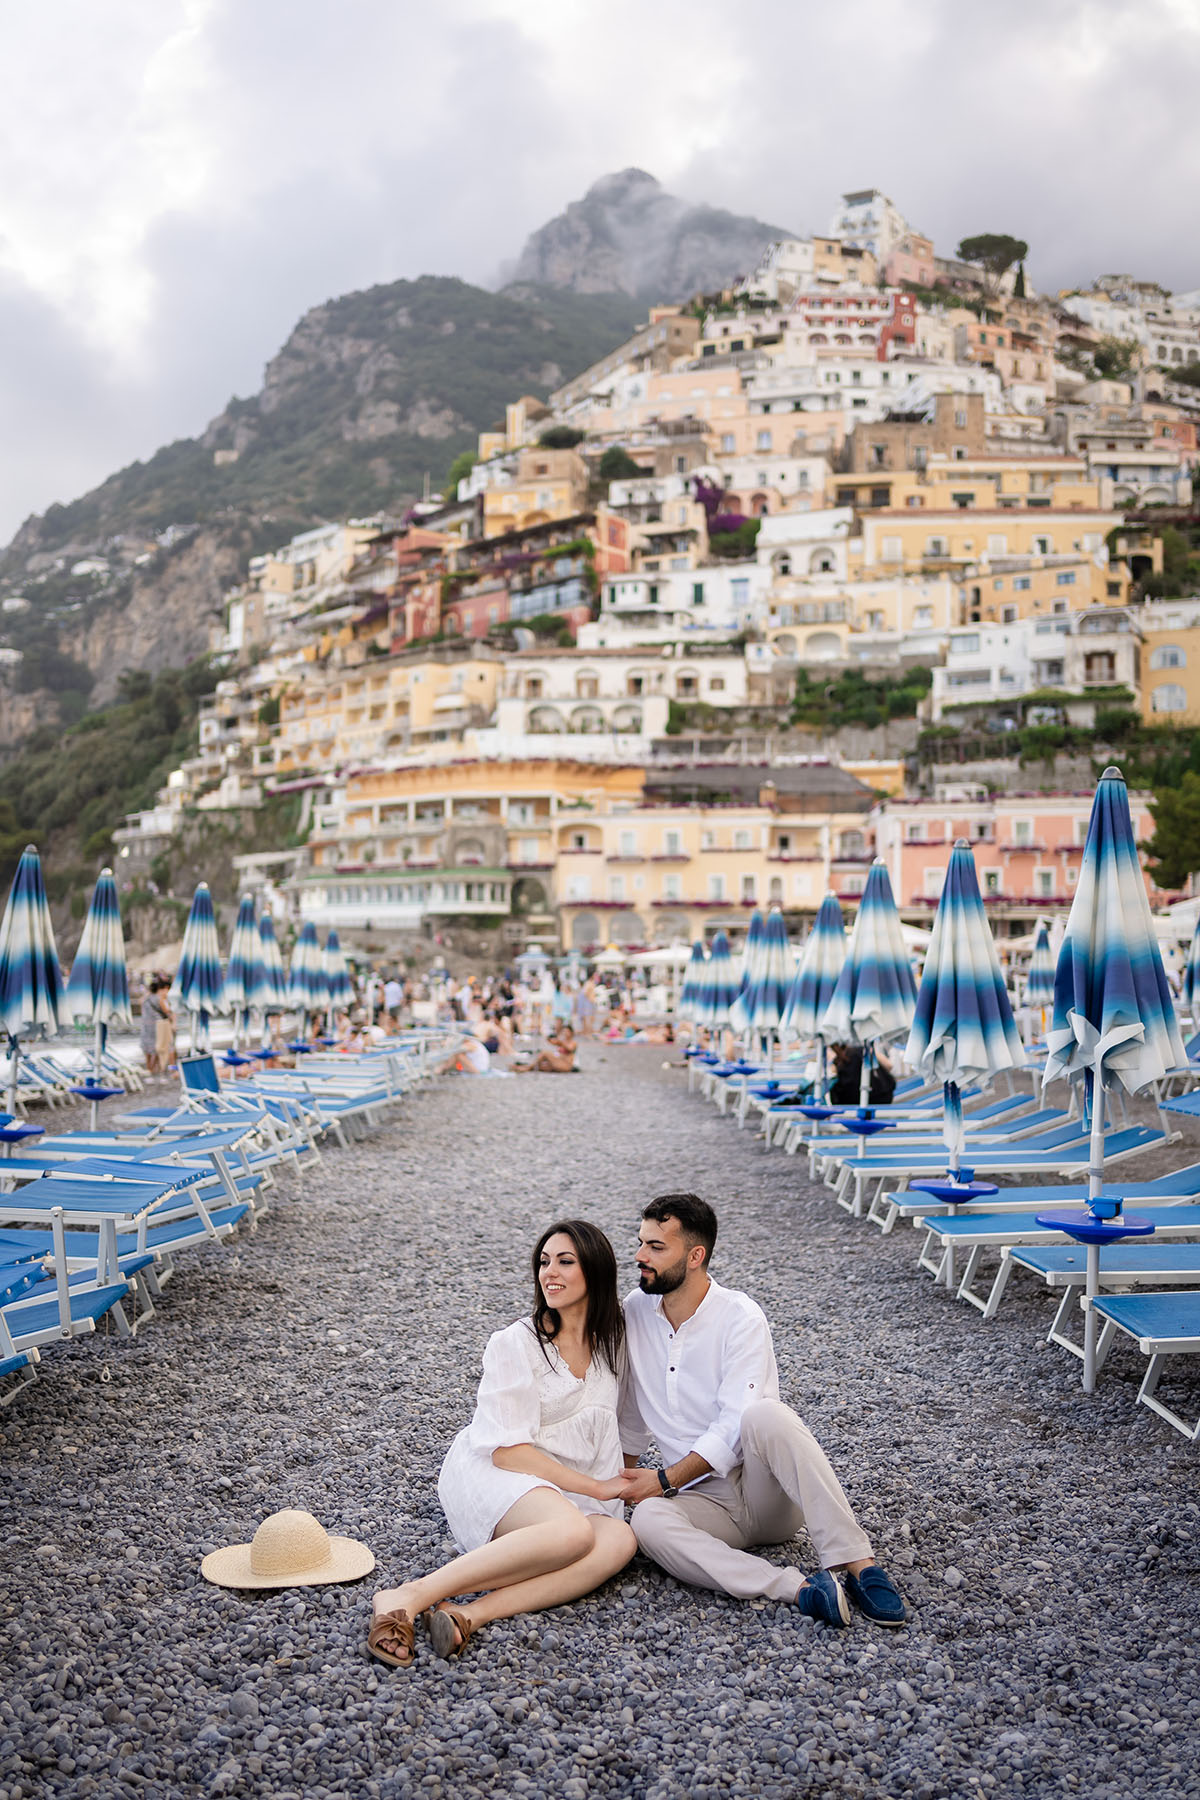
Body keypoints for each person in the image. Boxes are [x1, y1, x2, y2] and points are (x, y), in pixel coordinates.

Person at [618, 1193, 907, 1629]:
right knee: (649, 1520)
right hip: (703, 1504)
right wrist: (622, 1489)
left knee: (766, 1414)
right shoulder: (634, 1313)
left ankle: (859, 1566)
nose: (640, 1256)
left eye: (656, 1247)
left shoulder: (740, 1316)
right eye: (641, 1242)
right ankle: (800, 1589)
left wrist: (662, 1479)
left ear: (695, 1256)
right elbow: (630, 1411)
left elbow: (737, 1421)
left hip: (763, 1494)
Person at [368, 1222, 636, 1667]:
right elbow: (507, 1451)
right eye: (544, 1262)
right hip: (499, 1470)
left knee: (619, 1539)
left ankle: (468, 1615)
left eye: (565, 1262)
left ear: (597, 1272)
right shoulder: (516, 1343)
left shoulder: (614, 1339)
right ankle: (408, 1596)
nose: (549, 1272)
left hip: (563, 1483)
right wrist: (597, 1489)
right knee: (572, 1532)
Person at [828, 1042, 895, 1108]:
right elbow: (889, 1066)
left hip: (851, 1104)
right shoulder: (864, 1050)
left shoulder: (836, 1063)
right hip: (881, 1097)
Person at [139, 976, 167, 1074]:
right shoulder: (159, 998)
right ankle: (154, 1067)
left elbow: (140, 1005)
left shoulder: (145, 999)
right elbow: (166, 1011)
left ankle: (148, 1067)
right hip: (156, 1025)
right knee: (156, 1047)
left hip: (145, 1025)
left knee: (146, 1047)